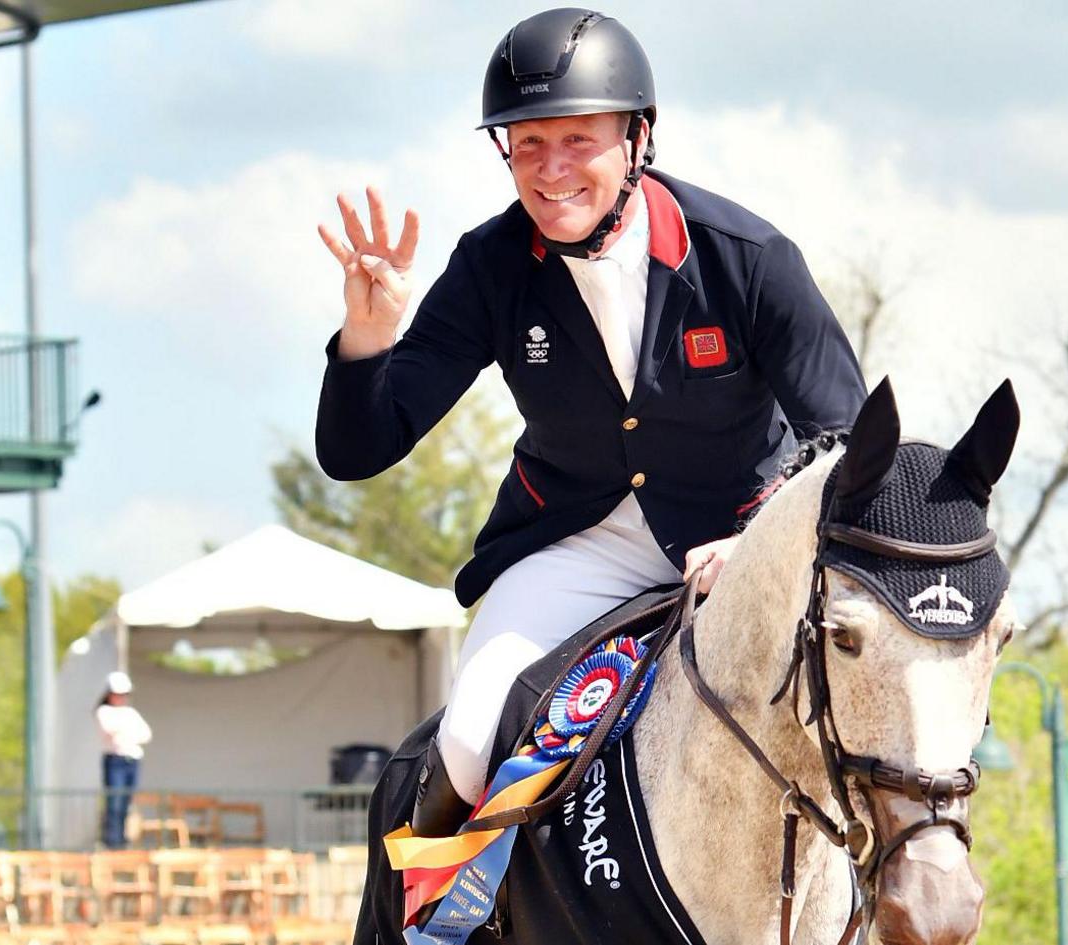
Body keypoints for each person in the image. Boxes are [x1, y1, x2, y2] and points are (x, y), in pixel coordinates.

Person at [314, 8, 866, 837]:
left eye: (578, 140)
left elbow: (848, 443)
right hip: (574, 542)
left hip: (744, 539)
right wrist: (367, 336)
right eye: (527, 143)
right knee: (466, 745)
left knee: (856, 729)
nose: (550, 169)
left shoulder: (747, 257)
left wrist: (758, 543)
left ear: (637, 139)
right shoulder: (489, 266)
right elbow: (360, 449)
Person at [95, 670, 151, 849]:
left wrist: (126, 732)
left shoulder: (130, 713)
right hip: (115, 761)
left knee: (126, 802)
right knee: (114, 802)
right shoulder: (104, 712)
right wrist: (127, 731)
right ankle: (112, 840)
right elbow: (111, 731)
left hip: (131, 760)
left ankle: (122, 840)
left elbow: (145, 734)